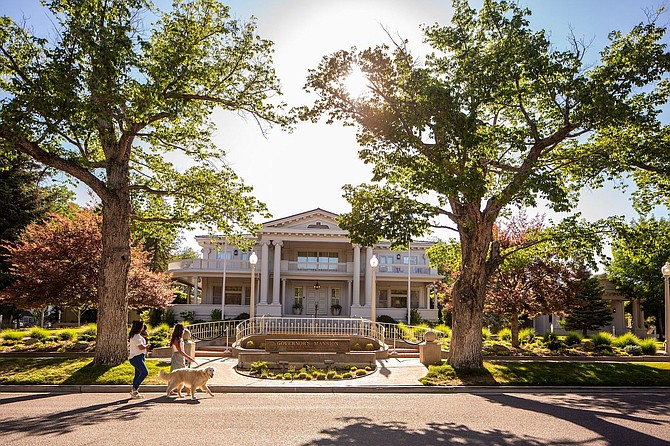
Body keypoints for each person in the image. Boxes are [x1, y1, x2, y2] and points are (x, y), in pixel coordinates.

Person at [169, 323, 197, 395]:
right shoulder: (176, 339)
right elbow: (179, 351)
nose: (184, 331)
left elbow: (182, 351)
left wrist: (186, 357)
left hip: (181, 357)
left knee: (183, 373)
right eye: (183, 329)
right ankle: (173, 389)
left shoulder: (180, 339)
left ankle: (187, 389)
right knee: (179, 373)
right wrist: (188, 357)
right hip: (177, 357)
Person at [128, 320, 149, 399]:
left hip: (140, 357)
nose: (143, 327)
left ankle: (135, 392)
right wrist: (146, 346)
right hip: (136, 357)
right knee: (144, 372)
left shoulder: (138, 336)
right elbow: (140, 347)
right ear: (139, 327)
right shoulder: (135, 336)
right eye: (142, 325)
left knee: (137, 375)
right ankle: (134, 389)